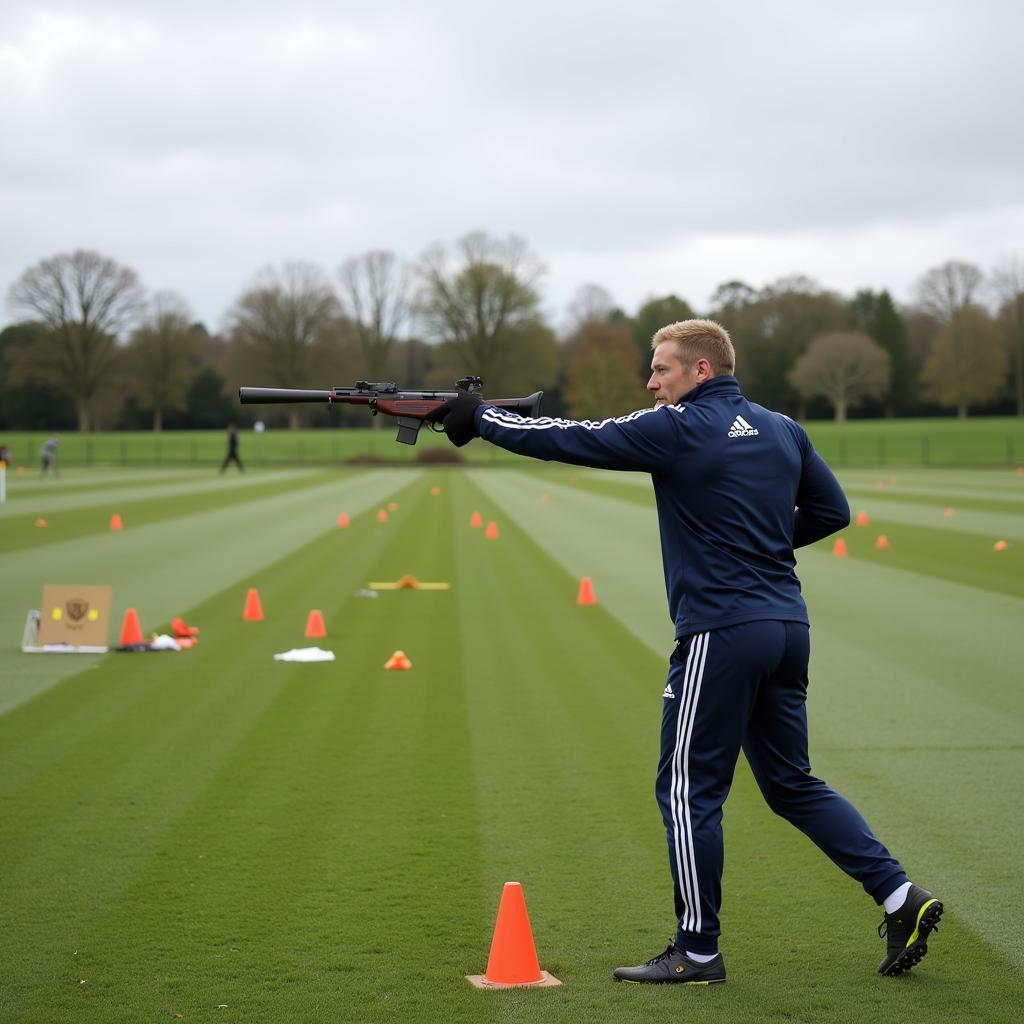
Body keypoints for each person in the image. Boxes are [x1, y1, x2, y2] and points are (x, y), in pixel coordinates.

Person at [427, 319, 942, 984]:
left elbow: (572, 438)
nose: (650, 382)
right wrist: (760, 546)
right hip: (787, 629)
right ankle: (902, 896)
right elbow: (832, 512)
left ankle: (697, 949)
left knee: (685, 789)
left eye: (661, 369)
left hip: (722, 632)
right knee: (792, 784)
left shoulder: (678, 427)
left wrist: (480, 416)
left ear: (701, 371)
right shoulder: (783, 428)